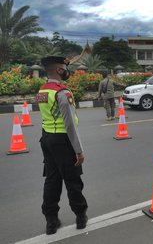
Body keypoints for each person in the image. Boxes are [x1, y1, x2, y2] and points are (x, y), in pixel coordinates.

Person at [36, 56, 87, 235]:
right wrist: (78, 151)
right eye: (65, 68)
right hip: (62, 141)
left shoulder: (42, 90)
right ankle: (80, 216)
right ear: (59, 70)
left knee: (52, 180)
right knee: (72, 180)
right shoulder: (62, 92)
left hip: (46, 138)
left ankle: (51, 221)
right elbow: (70, 124)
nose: (67, 71)